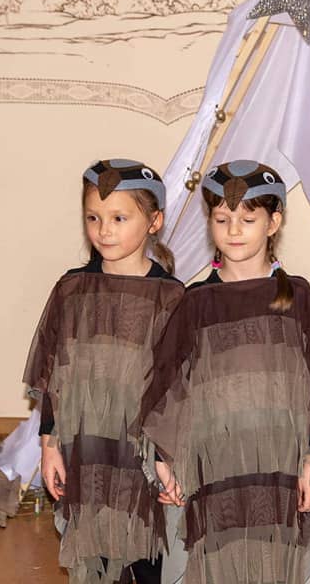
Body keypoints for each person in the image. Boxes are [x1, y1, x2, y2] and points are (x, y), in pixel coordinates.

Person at [141, 160, 310, 583]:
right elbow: (166, 385)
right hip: (213, 462)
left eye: (248, 220)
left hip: (281, 462)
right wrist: (164, 459)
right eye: (221, 219)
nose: (233, 230)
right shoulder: (195, 302)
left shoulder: (298, 299)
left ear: (273, 222)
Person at [24, 159, 184, 583]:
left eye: (119, 218)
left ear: (154, 222)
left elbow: (175, 390)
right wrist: (49, 445)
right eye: (93, 218)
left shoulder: (171, 297)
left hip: (140, 452)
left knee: (144, 556)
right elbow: (54, 376)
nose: (104, 231)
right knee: (92, 550)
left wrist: (166, 459)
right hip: (85, 446)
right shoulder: (71, 290)